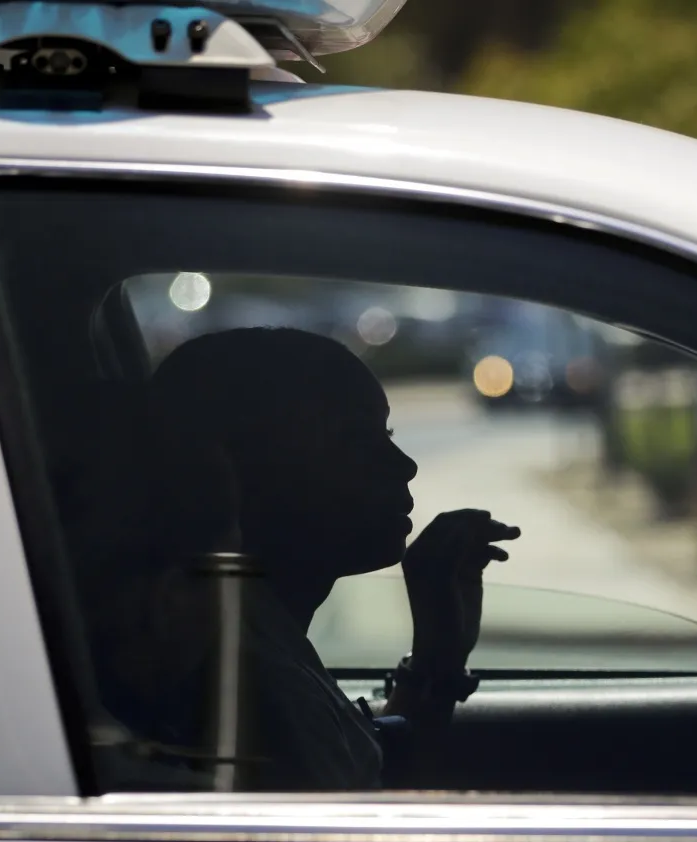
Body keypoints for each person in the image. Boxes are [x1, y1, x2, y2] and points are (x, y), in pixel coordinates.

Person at [144, 326, 518, 791]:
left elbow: (371, 773)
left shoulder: (259, 641)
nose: (404, 465)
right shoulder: (258, 693)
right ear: (230, 473)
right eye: (355, 439)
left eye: (387, 434)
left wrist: (437, 655)